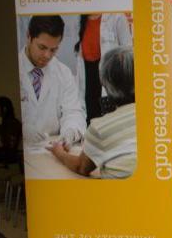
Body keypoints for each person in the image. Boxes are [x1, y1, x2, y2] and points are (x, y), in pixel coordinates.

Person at [50, 47, 137, 179]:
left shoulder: (100, 128)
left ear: (105, 84)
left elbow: (81, 167)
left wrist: (59, 153)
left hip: (120, 197)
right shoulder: (158, 117)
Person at [18, 14, 86, 150]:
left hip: (52, 150)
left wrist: (70, 132)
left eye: (53, 49)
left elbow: (73, 112)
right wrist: (21, 128)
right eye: (42, 47)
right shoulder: (12, 69)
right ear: (29, 37)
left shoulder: (63, 73)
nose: (47, 56)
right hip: (21, 154)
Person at [75, 13, 133, 122]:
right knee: (91, 124)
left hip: (111, 84)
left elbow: (128, 54)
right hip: (88, 84)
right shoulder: (80, 18)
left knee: (110, 125)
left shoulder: (117, 17)